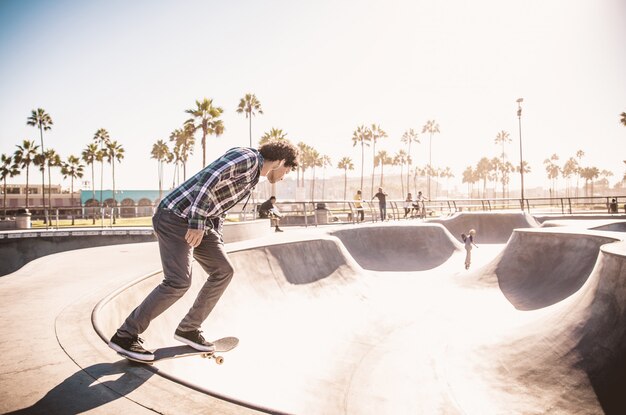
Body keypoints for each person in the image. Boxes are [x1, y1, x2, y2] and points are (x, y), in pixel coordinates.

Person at [108, 141, 299, 361]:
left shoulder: (253, 175)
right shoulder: (247, 158)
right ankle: (125, 335)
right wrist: (197, 222)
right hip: (175, 217)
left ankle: (188, 328)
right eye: (288, 170)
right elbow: (207, 181)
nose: (285, 176)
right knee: (178, 281)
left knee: (223, 270)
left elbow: (218, 204)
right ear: (282, 161)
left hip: (201, 223)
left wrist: (213, 235)